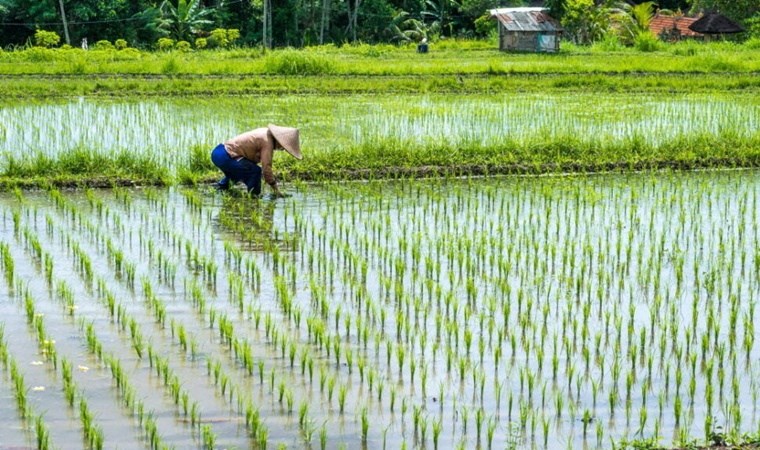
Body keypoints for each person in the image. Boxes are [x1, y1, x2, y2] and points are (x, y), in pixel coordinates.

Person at [211, 124, 302, 197]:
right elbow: (266, 168)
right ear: (279, 141)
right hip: (225, 156)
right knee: (255, 171)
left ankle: (220, 188)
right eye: (283, 147)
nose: (281, 149)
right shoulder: (267, 142)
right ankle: (254, 198)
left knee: (240, 170)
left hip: (218, 152)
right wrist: (276, 189)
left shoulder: (265, 132)